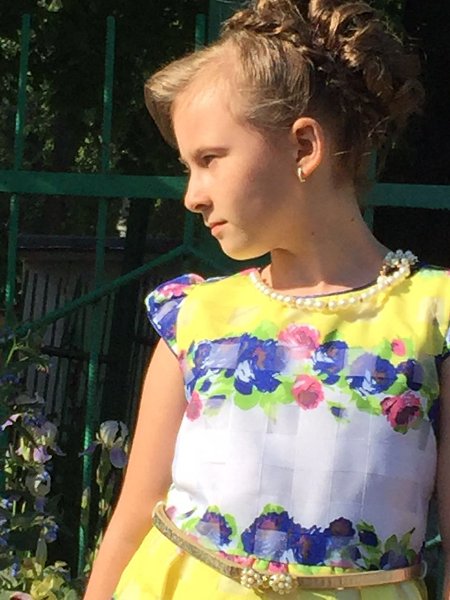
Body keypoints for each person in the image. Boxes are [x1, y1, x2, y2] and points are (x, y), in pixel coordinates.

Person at [84, 0, 450, 598]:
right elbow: (133, 517)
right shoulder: (195, 318)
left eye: (209, 160)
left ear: (304, 146)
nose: (192, 196)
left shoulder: (435, 319)